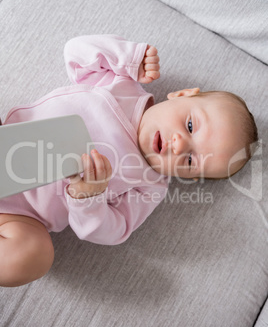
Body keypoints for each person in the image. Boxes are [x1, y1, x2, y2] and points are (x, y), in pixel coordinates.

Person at [0, 35, 258, 287]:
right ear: (181, 95)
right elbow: (76, 54)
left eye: (190, 160)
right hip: (6, 142)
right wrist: (130, 58)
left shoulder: (150, 186)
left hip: (18, 216)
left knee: (34, 256)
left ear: (187, 176)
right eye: (190, 125)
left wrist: (88, 197)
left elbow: (113, 231)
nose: (179, 145)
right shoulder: (120, 84)